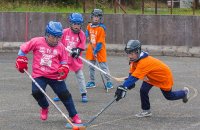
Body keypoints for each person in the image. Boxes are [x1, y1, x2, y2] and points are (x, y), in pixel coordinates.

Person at [15, 21, 82, 124]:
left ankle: (74, 115)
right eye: (53, 37)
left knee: (65, 95)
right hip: (39, 74)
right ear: (47, 34)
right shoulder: (37, 41)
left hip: (55, 75)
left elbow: (64, 61)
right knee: (36, 92)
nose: (55, 40)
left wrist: (64, 68)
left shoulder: (60, 46)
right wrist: (20, 58)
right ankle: (45, 107)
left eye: (58, 37)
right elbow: (23, 49)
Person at [114, 40, 190, 118]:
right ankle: (146, 110)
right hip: (151, 76)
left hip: (163, 77)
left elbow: (134, 77)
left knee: (169, 96)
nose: (129, 56)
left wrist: (123, 86)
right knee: (143, 90)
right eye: (128, 54)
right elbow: (132, 74)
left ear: (138, 51)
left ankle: (184, 92)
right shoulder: (134, 60)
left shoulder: (144, 62)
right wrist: (129, 84)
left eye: (131, 54)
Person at [53, 13, 88, 103]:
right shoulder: (64, 32)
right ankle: (59, 94)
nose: (76, 26)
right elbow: (58, 43)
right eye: (75, 24)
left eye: (78, 24)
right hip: (65, 60)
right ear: (71, 23)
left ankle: (84, 94)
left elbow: (81, 46)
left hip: (75, 60)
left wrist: (77, 50)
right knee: (62, 77)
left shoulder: (82, 34)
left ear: (81, 24)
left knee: (80, 76)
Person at [85, 8, 113, 89]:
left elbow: (100, 43)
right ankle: (92, 81)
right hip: (91, 50)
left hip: (99, 51)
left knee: (103, 67)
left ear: (100, 18)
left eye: (98, 17)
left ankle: (108, 82)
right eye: (94, 16)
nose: (96, 18)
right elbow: (87, 30)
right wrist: (87, 35)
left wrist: (96, 51)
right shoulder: (89, 25)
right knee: (91, 67)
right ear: (92, 17)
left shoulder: (101, 29)